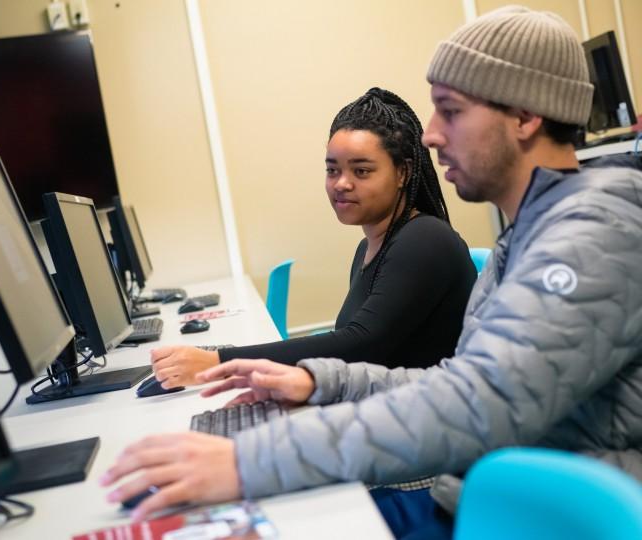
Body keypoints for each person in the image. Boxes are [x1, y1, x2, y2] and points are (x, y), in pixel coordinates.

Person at [100, 6, 642, 539]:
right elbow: (461, 379)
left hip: (524, 516)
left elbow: (477, 404)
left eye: (450, 111)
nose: (430, 135)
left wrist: (249, 460)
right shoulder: (532, 232)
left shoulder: (592, 236)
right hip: (485, 498)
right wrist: (320, 380)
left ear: (526, 116)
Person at [151, 88, 477, 387]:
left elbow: (361, 342)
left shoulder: (425, 240)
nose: (341, 184)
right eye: (332, 170)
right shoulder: (370, 245)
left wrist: (220, 361)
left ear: (402, 172)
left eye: (361, 171)